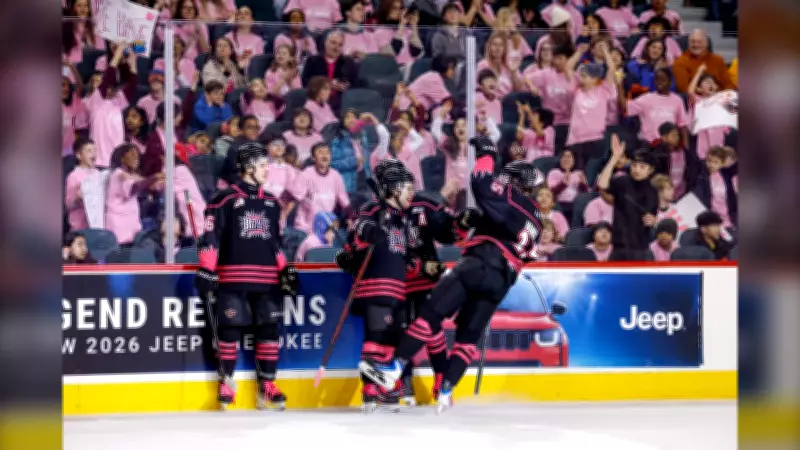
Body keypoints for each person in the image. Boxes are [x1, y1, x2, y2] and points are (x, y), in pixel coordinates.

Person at [359, 137, 545, 414]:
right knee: (468, 337)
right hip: (502, 281)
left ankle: (394, 368)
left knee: (431, 312)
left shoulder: (511, 197)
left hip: (481, 263)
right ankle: (446, 389)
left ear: (515, 183)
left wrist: (488, 153)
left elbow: (481, 180)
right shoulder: (538, 221)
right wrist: (465, 222)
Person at [194, 142, 299, 411]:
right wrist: (207, 269)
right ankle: (227, 382)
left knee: (269, 330)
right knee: (229, 330)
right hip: (232, 277)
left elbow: (276, 243)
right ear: (248, 167)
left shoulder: (273, 203)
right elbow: (210, 238)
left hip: (267, 280)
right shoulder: (223, 199)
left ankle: (267, 385)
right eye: (263, 165)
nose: (268, 170)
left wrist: (285, 269)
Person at [334, 162, 416, 413]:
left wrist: (413, 261)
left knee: (393, 338)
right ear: (393, 189)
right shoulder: (372, 209)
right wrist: (370, 231)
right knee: (377, 334)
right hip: (375, 284)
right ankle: (370, 387)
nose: (412, 193)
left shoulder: (402, 219)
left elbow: (407, 254)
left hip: (397, 287)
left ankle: (383, 385)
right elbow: (358, 229)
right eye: (407, 188)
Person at [597, 136, 658, 261]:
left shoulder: (653, 191)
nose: (637, 169)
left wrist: (653, 220)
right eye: (634, 165)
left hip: (639, 248)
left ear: (650, 170)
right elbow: (602, 184)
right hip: (619, 246)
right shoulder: (622, 181)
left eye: (642, 167)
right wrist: (614, 158)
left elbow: (652, 217)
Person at [672, 29, 735, 94]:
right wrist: (703, 91)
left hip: (719, 98)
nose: (696, 45)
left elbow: (729, 85)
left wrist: (719, 93)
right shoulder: (680, 62)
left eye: (699, 42)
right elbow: (683, 89)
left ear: (707, 43)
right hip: (694, 100)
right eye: (693, 42)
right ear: (688, 44)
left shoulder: (718, 60)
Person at [64, 139, 99, 232]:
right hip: (80, 227)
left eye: (95, 150)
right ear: (79, 155)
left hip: (96, 225)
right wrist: (78, 198)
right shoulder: (74, 176)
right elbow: (69, 206)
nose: (93, 153)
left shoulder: (98, 173)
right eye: (89, 151)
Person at [224, 6, 265, 72]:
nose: (242, 15)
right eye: (240, 13)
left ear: (252, 20)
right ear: (236, 19)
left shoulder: (258, 40)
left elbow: (260, 62)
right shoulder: (227, 37)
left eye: (246, 13)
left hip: (251, 74)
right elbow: (224, 59)